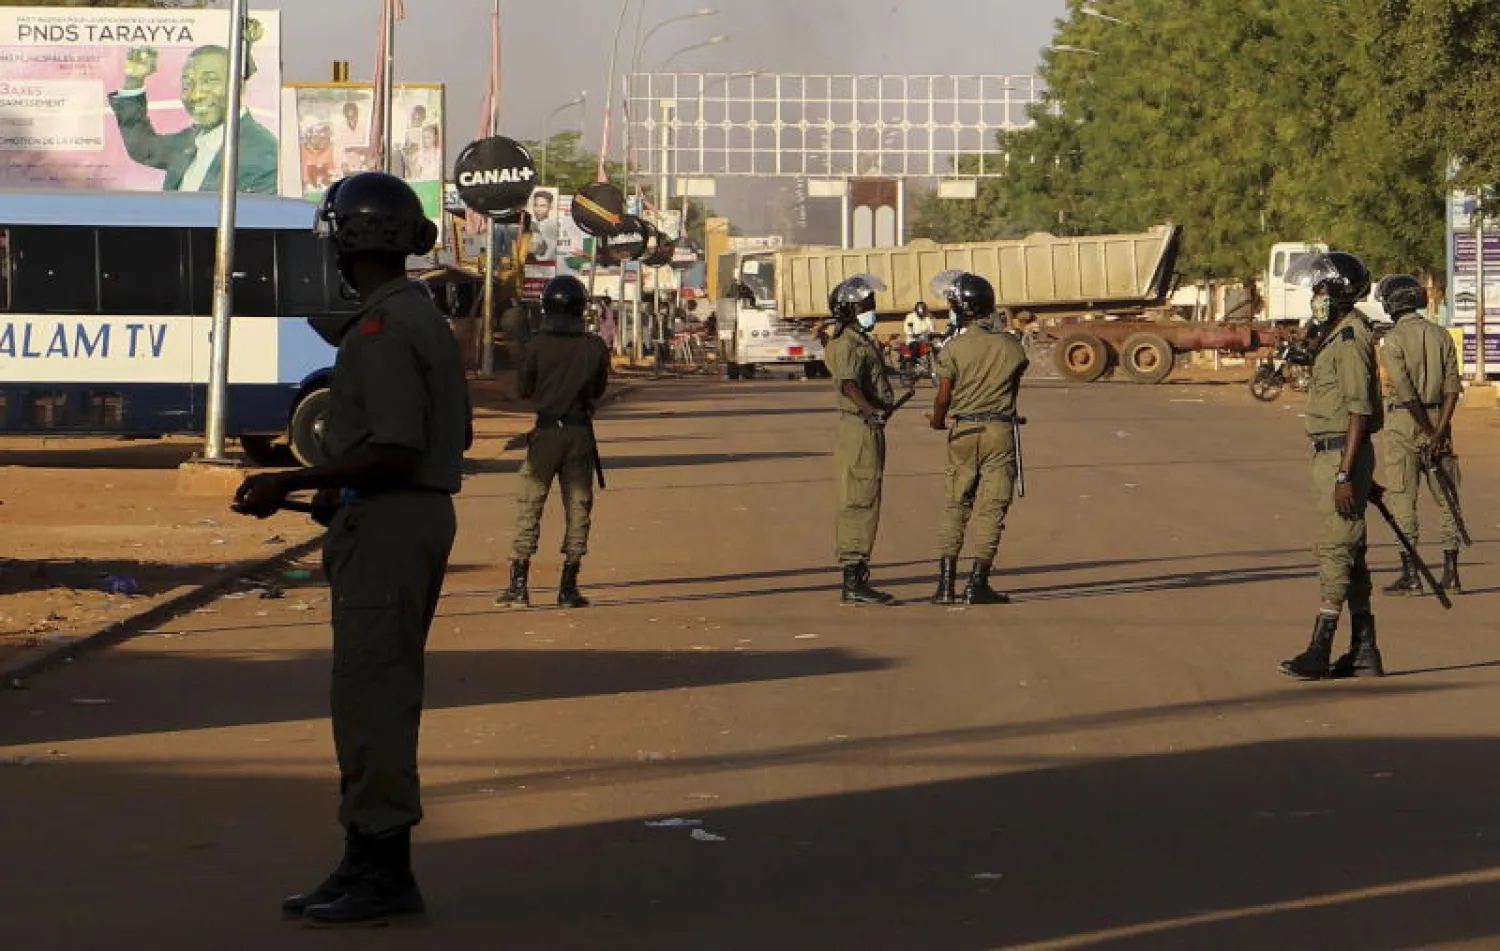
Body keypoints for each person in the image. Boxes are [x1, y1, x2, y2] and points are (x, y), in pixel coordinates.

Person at [233, 172, 471, 924]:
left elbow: (397, 447)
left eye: (336, 233)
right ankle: (362, 859)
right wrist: (336, 488)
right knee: (370, 694)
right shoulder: (413, 316)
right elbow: (439, 436)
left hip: (394, 523)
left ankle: (382, 870)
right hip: (399, 515)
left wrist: (291, 479)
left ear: (355, 239)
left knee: (373, 700)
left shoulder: (383, 328)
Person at [1279, 252, 1386, 681]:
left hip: (1341, 454)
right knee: (1353, 553)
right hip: (1340, 455)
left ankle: (1319, 649)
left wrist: (1346, 474)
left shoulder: (1349, 338)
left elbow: (1359, 411)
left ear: (1339, 291)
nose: (1315, 297)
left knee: (1336, 549)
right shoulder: (1337, 333)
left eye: (1321, 290)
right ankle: (1364, 651)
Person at [496, 275, 612, 609]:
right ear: (580, 307)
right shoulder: (594, 347)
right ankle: (568, 587)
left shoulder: (536, 345)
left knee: (530, 506)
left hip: (545, 434)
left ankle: (519, 586)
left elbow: (524, 389)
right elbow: (598, 391)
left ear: (547, 305)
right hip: (579, 434)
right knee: (578, 509)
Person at [927, 273, 1029, 605]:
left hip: (963, 431)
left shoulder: (953, 348)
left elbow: (943, 396)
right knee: (992, 507)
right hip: (999, 431)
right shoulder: (1011, 345)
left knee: (956, 504)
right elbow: (1012, 390)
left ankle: (944, 586)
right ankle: (977, 583)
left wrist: (938, 422)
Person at [1374, 273, 1465, 596]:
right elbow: (1454, 386)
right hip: (1442, 417)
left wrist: (1426, 431)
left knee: (1403, 498)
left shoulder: (1393, 340)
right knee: (1447, 498)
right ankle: (1451, 571)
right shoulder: (1441, 335)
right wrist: (1439, 432)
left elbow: (1405, 390)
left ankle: (1411, 573)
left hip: (1404, 423)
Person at [109, 43, 278, 194]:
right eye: (187, 84)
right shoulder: (192, 139)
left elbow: (255, 222)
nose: (195, 95)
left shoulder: (263, 152)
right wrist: (133, 81)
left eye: (210, 81)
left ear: (239, 87)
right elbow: (144, 148)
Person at [824, 274, 900, 604]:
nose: (873, 310)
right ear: (851, 308)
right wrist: (869, 410)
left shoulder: (859, 340)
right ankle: (853, 579)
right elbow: (848, 383)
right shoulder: (846, 344)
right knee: (859, 500)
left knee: (866, 496)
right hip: (859, 429)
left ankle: (857, 575)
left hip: (866, 427)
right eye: (868, 305)